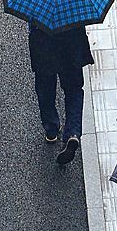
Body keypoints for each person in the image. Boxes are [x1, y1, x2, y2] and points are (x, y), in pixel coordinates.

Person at [28, 24, 94, 165]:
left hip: (43, 42)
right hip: (71, 41)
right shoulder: (74, 2)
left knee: (45, 88)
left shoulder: (37, 3)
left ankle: (51, 128)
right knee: (74, 89)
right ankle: (73, 132)